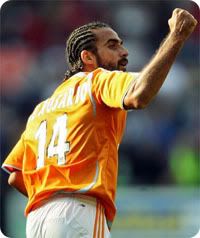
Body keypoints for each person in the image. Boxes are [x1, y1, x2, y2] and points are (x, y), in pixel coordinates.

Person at [2, 8, 197, 238]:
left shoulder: (42, 109)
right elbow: (139, 95)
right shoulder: (97, 79)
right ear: (88, 57)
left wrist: (52, 192)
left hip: (37, 220)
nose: (124, 52)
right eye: (113, 46)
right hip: (78, 210)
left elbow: (17, 177)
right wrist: (176, 36)